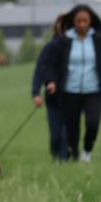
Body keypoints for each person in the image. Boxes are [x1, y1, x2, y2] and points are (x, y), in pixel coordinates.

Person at [44, 4, 101, 163]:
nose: (82, 24)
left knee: (93, 123)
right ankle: (74, 152)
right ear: (73, 21)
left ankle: (87, 152)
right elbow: (51, 65)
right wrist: (51, 81)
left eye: (85, 21)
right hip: (70, 91)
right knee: (72, 128)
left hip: (93, 91)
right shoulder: (63, 42)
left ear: (91, 21)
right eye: (78, 21)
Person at [32, 17, 68, 161]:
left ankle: (64, 161)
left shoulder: (77, 47)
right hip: (53, 99)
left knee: (67, 133)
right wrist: (36, 93)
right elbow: (39, 71)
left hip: (73, 97)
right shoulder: (49, 48)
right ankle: (56, 155)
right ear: (57, 27)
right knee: (55, 135)